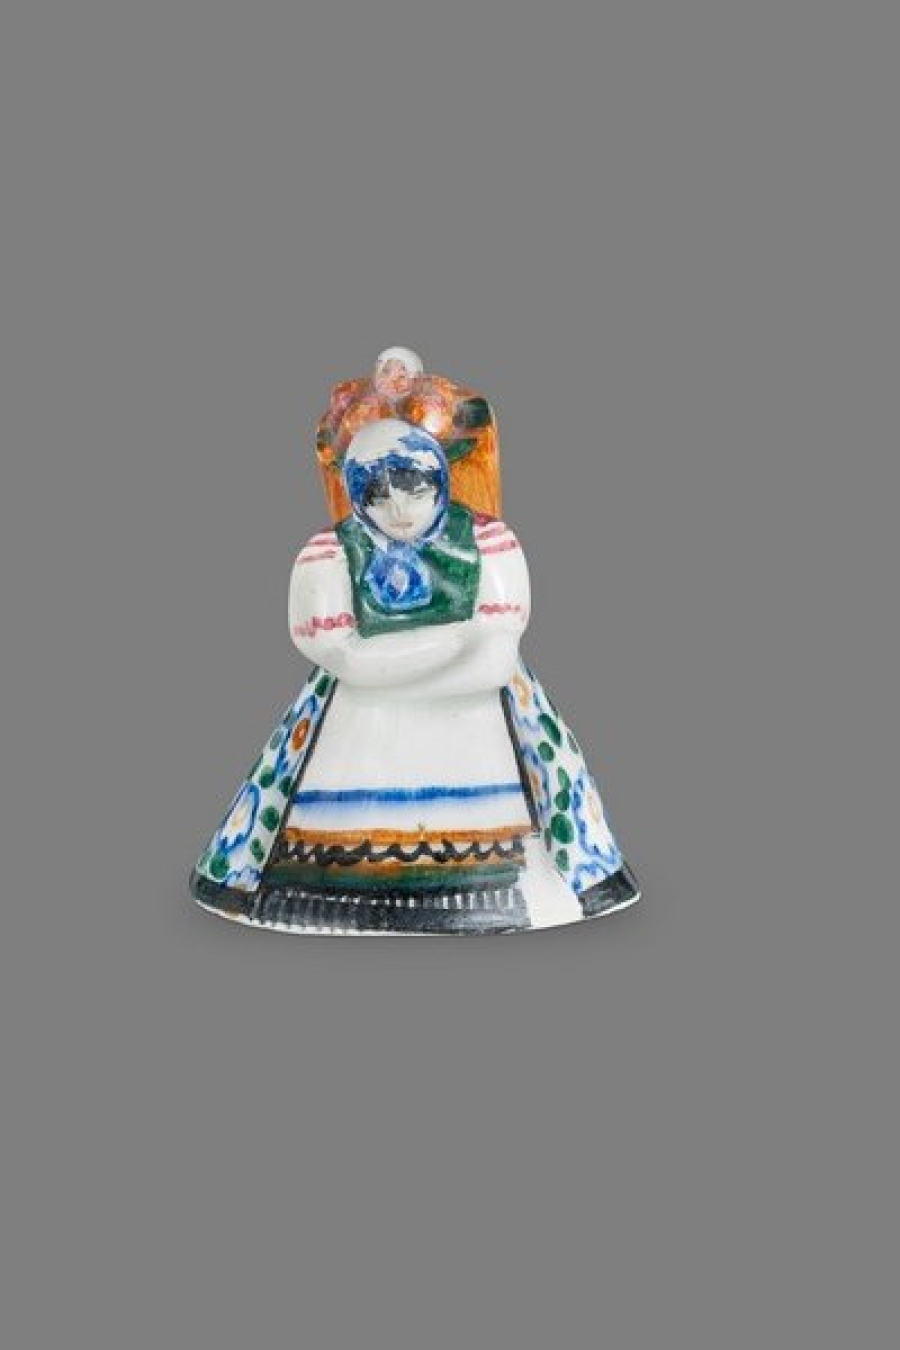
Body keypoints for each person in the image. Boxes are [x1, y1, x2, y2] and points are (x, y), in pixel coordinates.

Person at [191, 351, 638, 933]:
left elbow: (494, 663)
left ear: (442, 478)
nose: (398, 509)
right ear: (354, 491)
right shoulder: (328, 554)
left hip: (467, 723)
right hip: (357, 730)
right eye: (376, 493)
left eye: (414, 486)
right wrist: (453, 643)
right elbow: (342, 656)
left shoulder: (489, 543)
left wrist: (387, 665)